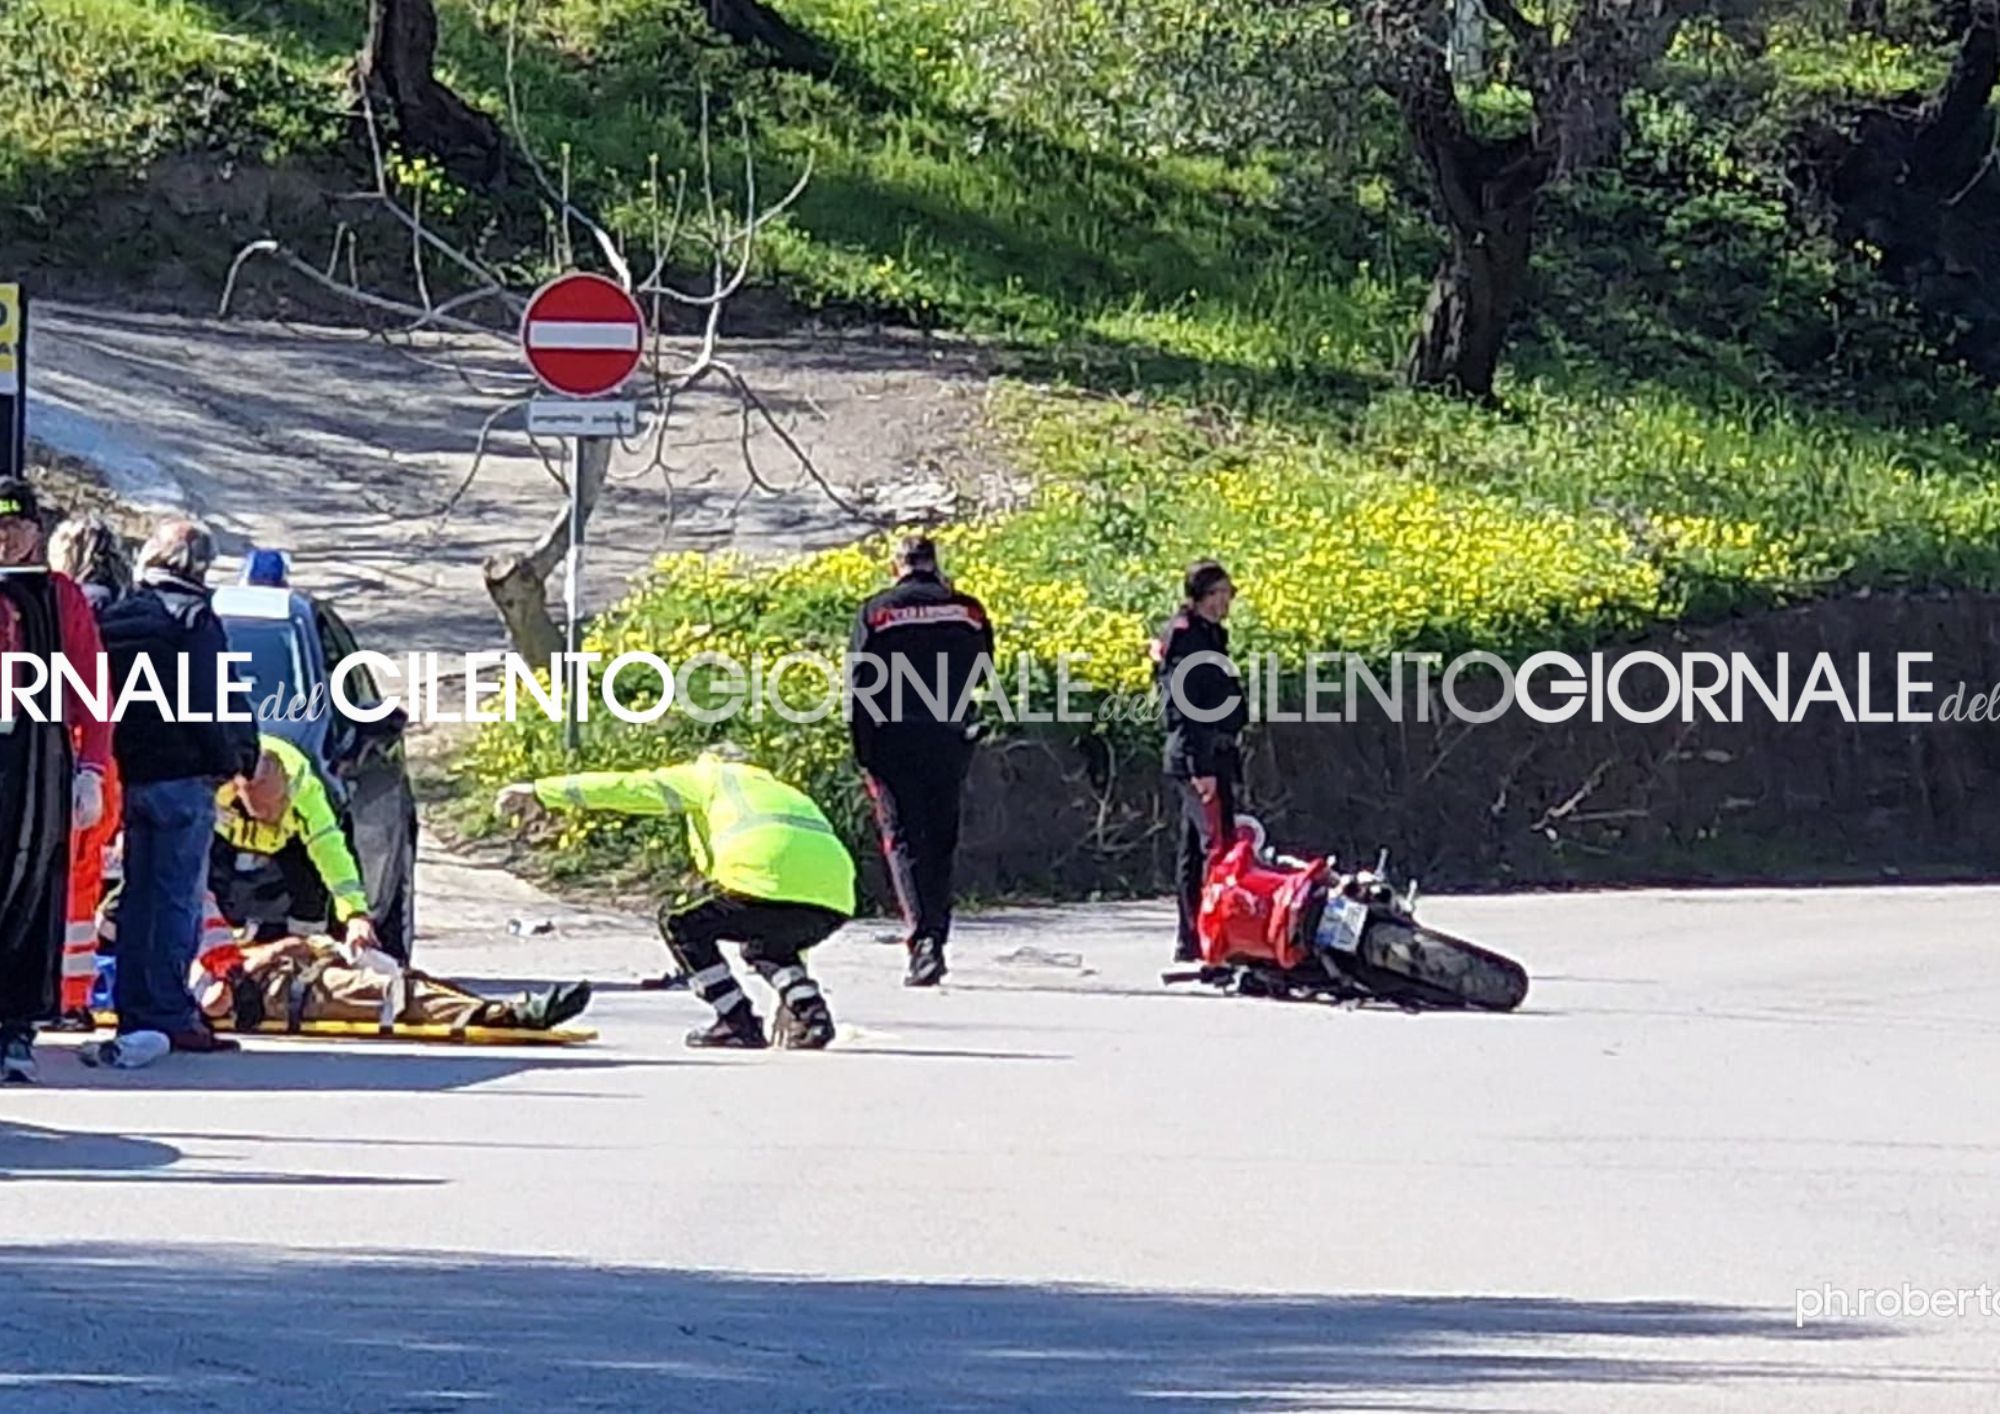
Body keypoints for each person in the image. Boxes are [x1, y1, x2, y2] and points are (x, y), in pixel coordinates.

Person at [496, 747, 854, 1050]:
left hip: (762, 878)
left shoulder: (710, 776)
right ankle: (810, 1011)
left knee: (681, 924)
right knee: (768, 947)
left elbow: (630, 786)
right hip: (834, 898)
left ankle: (736, 1021)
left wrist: (542, 790)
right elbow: (791, 908)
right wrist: (786, 999)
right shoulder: (784, 790)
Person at [98, 519, 259, 1055]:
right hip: (180, 777)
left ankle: (132, 1009)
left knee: (135, 901)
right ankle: (167, 1012)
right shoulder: (195, 620)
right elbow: (213, 700)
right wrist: (231, 760)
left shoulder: (117, 615)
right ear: (200, 567)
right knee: (173, 900)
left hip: (127, 774)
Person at [0, 482, 114, 1081]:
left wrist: (91, 768)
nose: (5, 537)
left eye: (16, 526)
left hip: (36, 767)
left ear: (36, 532)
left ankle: (16, 1025)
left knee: (31, 889)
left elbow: (94, 690)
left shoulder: (58, 596)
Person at [848, 534, 994, 987]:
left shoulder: (877, 610)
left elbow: (859, 683)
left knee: (904, 841)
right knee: (940, 839)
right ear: (935, 563)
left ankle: (923, 943)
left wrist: (862, 748)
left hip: (893, 739)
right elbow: (984, 669)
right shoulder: (967, 609)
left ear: (898, 565)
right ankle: (938, 936)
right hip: (948, 736)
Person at [47, 514, 130, 1025]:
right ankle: (70, 995)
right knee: (80, 889)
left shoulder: (62, 608)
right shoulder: (125, 607)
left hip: (69, 759)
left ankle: (61, 994)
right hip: (102, 768)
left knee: (61, 888)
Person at [183, 935, 591, 1035]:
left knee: (407, 980)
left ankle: (497, 1010)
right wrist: (262, 958)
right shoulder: (174, 968)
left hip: (300, 973)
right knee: (393, 994)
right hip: (286, 993)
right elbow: (215, 1005)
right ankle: (507, 1016)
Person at [1152, 559, 1248, 964]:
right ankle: (1214, 937)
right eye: (1220, 594)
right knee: (1217, 847)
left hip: (1212, 752)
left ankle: (1191, 938)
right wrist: (1200, 768)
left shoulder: (1209, 634)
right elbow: (1184, 705)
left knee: (1194, 849)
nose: (1227, 602)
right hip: (1197, 756)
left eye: (1229, 594)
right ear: (1201, 597)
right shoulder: (1186, 636)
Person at [210, 733, 382, 953]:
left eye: (275, 808)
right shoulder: (214, 785)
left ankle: (308, 949)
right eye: (261, 811)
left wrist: (355, 914)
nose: (270, 817)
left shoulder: (306, 794)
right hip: (225, 834)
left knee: (310, 890)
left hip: (290, 844)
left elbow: (331, 851)